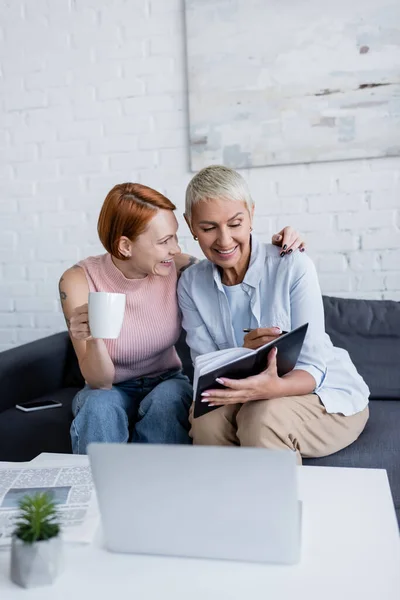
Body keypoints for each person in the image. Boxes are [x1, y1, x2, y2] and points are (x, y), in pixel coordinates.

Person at [59, 182, 304, 454]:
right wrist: (93, 338)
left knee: (170, 399)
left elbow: (232, 262)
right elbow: (100, 382)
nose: (175, 248)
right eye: (165, 241)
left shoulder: (179, 268)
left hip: (166, 380)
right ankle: (96, 491)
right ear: (126, 246)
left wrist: (279, 247)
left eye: (175, 236)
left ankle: (161, 491)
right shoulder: (78, 281)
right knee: (98, 406)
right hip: (108, 386)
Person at [178, 165, 369, 462]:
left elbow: (314, 367)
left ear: (252, 215)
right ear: (190, 226)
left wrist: (272, 387)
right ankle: (221, 503)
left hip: (320, 390)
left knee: (262, 417)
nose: (224, 240)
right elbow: (206, 370)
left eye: (235, 223)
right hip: (244, 390)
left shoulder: (292, 265)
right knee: (205, 418)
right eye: (208, 228)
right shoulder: (191, 284)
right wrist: (243, 354)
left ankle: (277, 506)